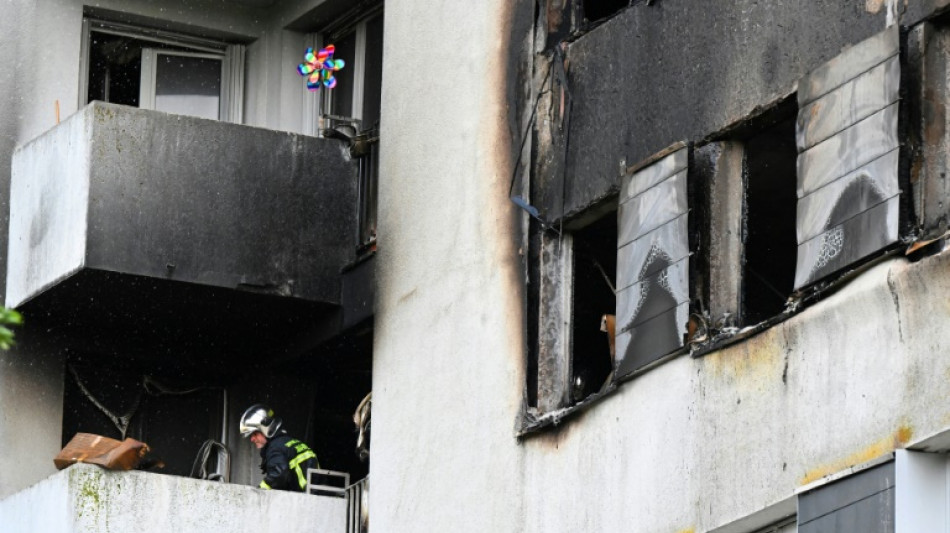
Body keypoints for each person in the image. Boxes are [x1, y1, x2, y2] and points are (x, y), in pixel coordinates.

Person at [239, 404, 318, 492]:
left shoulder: (275, 448)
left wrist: (259, 491)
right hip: (315, 496)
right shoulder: (289, 443)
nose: (252, 439)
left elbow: (278, 475)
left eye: (255, 434)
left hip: (304, 500)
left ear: (266, 429)